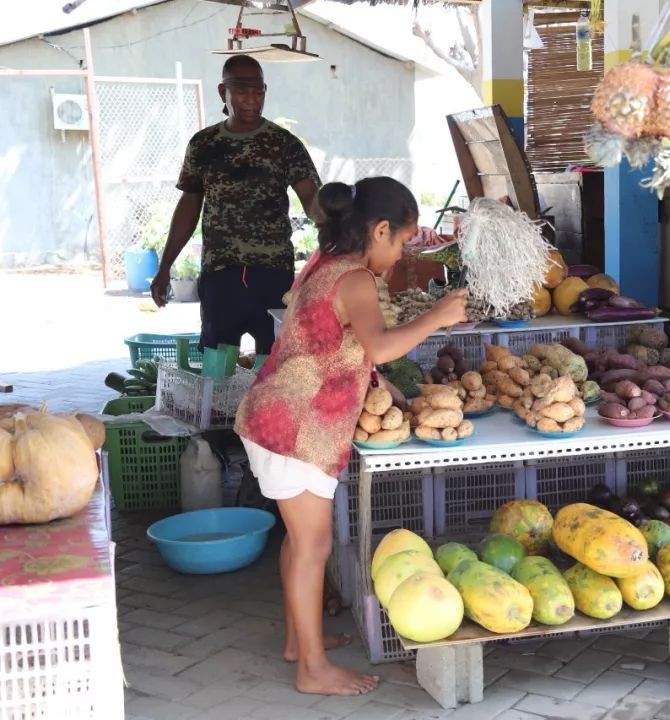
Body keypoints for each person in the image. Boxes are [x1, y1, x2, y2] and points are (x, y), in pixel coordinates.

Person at [233, 177, 468, 696]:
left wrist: (383, 388)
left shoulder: (326, 262)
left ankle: (302, 643)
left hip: (278, 417)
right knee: (313, 545)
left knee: (301, 542)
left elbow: (336, 344)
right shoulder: (356, 278)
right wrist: (438, 315)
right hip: (295, 428)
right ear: (380, 229)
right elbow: (379, 346)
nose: (403, 253)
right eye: (403, 241)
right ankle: (311, 671)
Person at [151, 54, 321, 357]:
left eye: (259, 91)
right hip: (221, 274)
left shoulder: (284, 144)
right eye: (241, 90)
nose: (252, 99)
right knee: (217, 365)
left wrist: (336, 226)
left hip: (273, 274)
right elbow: (189, 205)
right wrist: (164, 267)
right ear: (222, 92)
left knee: (276, 364)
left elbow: (312, 198)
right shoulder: (204, 145)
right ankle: (219, 407)